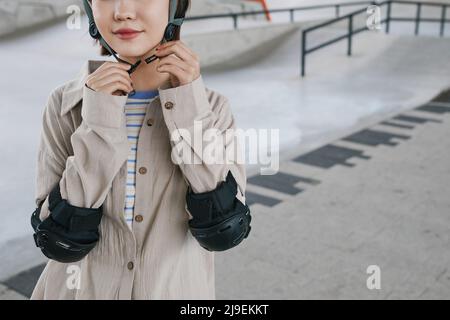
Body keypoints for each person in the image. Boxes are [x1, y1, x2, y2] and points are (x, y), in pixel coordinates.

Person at [30, 0, 249, 300]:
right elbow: (57, 239)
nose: (123, 11)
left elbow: (225, 230)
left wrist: (188, 107)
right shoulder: (64, 105)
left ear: (175, 7)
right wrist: (100, 118)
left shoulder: (212, 109)